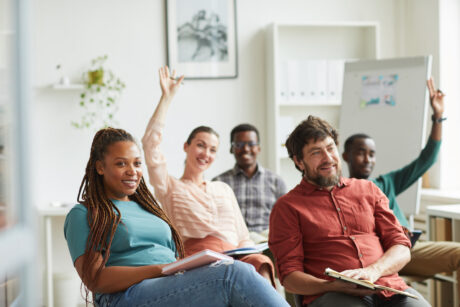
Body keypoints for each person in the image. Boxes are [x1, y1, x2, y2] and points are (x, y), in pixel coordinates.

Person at [63, 127, 288, 307]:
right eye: (121, 163)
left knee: (245, 270)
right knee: (232, 275)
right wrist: (160, 269)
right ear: (100, 167)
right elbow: (95, 280)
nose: (133, 171)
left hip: (170, 283)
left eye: (137, 163)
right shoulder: (84, 214)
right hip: (125, 296)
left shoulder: (148, 208)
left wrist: (180, 267)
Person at [268, 115, 430, 306]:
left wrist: (374, 271)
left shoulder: (369, 190)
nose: (328, 158)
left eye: (330, 148)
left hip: (389, 288)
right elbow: (290, 277)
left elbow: (402, 248)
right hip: (333, 296)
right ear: (299, 162)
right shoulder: (287, 207)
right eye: (316, 153)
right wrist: (330, 286)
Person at [142, 66, 277, 286]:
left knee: (260, 263)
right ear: (186, 146)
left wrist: (252, 251)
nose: (206, 153)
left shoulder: (222, 188)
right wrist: (166, 99)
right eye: (201, 146)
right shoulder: (170, 187)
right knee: (227, 274)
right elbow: (150, 144)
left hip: (236, 255)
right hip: (200, 260)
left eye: (213, 149)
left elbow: (242, 236)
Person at [342, 78, 460, 280]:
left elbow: (427, 159)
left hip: (410, 249)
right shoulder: (342, 193)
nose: (368, 159)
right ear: (346, 156)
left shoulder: (387, 183)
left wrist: (438, 116)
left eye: (372, 154)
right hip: (381, 257)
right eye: (361, 153)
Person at [213, 123, 287, 241]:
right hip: (233, 242)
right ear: (231, 149)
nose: (246, 149)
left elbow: (285, 221)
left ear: (258, 148)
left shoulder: (276, 182)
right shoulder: (219, 183)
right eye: (239, 144)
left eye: (251, 144)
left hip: (268, 241)